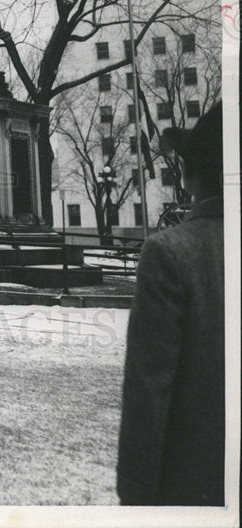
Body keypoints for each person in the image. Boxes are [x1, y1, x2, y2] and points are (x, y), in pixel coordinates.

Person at [117, 101, 225, 506]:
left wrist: (136, 498)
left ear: (193, 176)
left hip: (197, 488)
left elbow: (148, 389)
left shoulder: (171, 253)